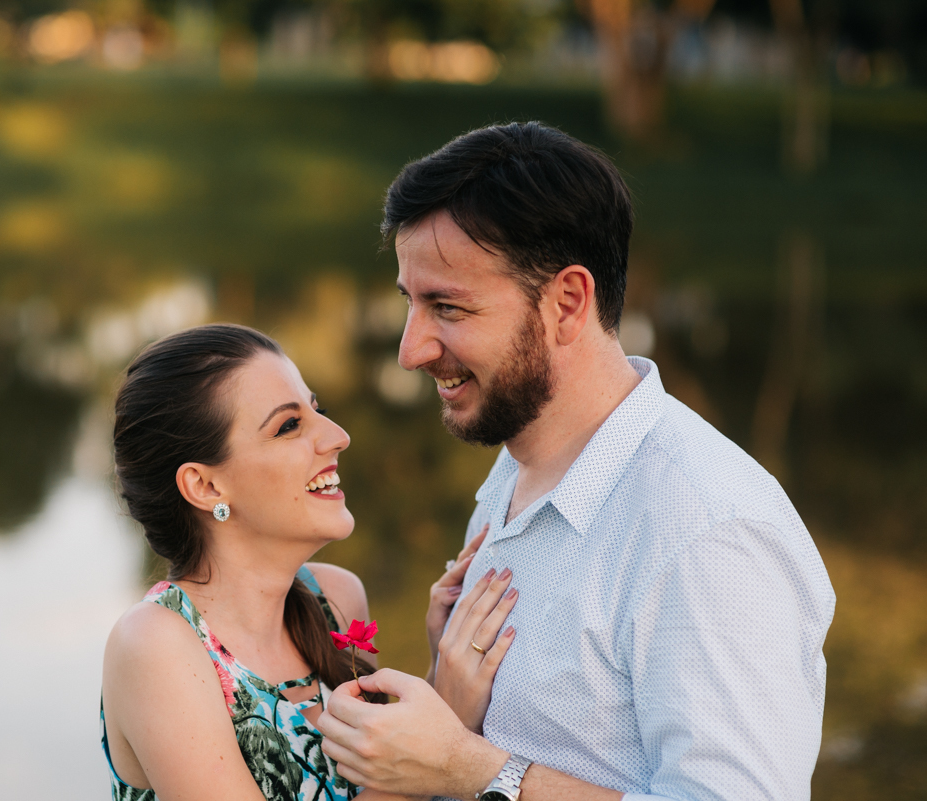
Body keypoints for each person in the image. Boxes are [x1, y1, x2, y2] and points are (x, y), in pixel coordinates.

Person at [317, 122, 836, 801]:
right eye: (410, 303)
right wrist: (446, 702)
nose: (411, 350)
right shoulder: (518, 462)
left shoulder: (707, 528)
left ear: (566, 303)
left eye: (448, 306)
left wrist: (474, 769)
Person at [100, 324, 515, 801]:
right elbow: (406, 782)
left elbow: (373, 777)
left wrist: (442, 666)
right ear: (206, 486)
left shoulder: (335, 599)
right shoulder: (156, 646)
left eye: (318, 410)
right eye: (289, 426)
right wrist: (449, 717)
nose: (338, 437)